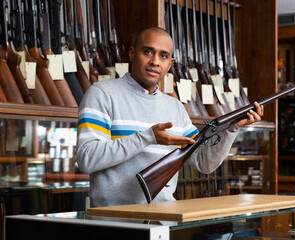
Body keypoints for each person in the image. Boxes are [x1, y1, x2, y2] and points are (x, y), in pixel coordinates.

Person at [75, 27, 264, 207]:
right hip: (114, 222)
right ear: (132, 54)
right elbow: (87, 159)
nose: (155, 61)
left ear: (170, 64)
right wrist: (147, 137)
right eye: (148, 52)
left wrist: (231, 129)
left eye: (163, 56)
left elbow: (203, 162)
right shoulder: (101, 94)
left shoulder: (175, 107)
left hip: (163, 220)